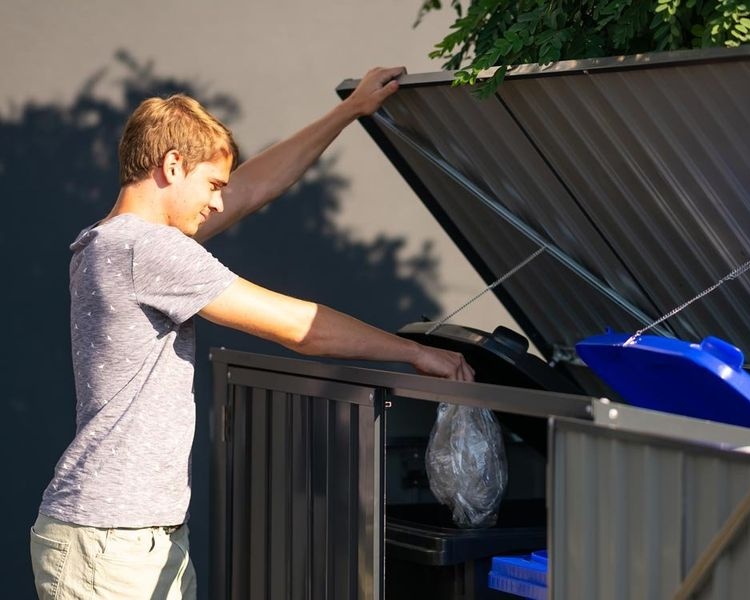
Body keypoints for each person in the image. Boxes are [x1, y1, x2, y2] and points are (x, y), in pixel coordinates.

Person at [30, 66, 474, 600]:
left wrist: (348, 111)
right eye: (211, 185)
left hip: (130, 536)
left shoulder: (115, 241)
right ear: (172, 165)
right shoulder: (144, 250)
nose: (218, 202)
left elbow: (252, 189)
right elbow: (299, 328)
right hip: (111, 544)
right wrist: (414, 352)